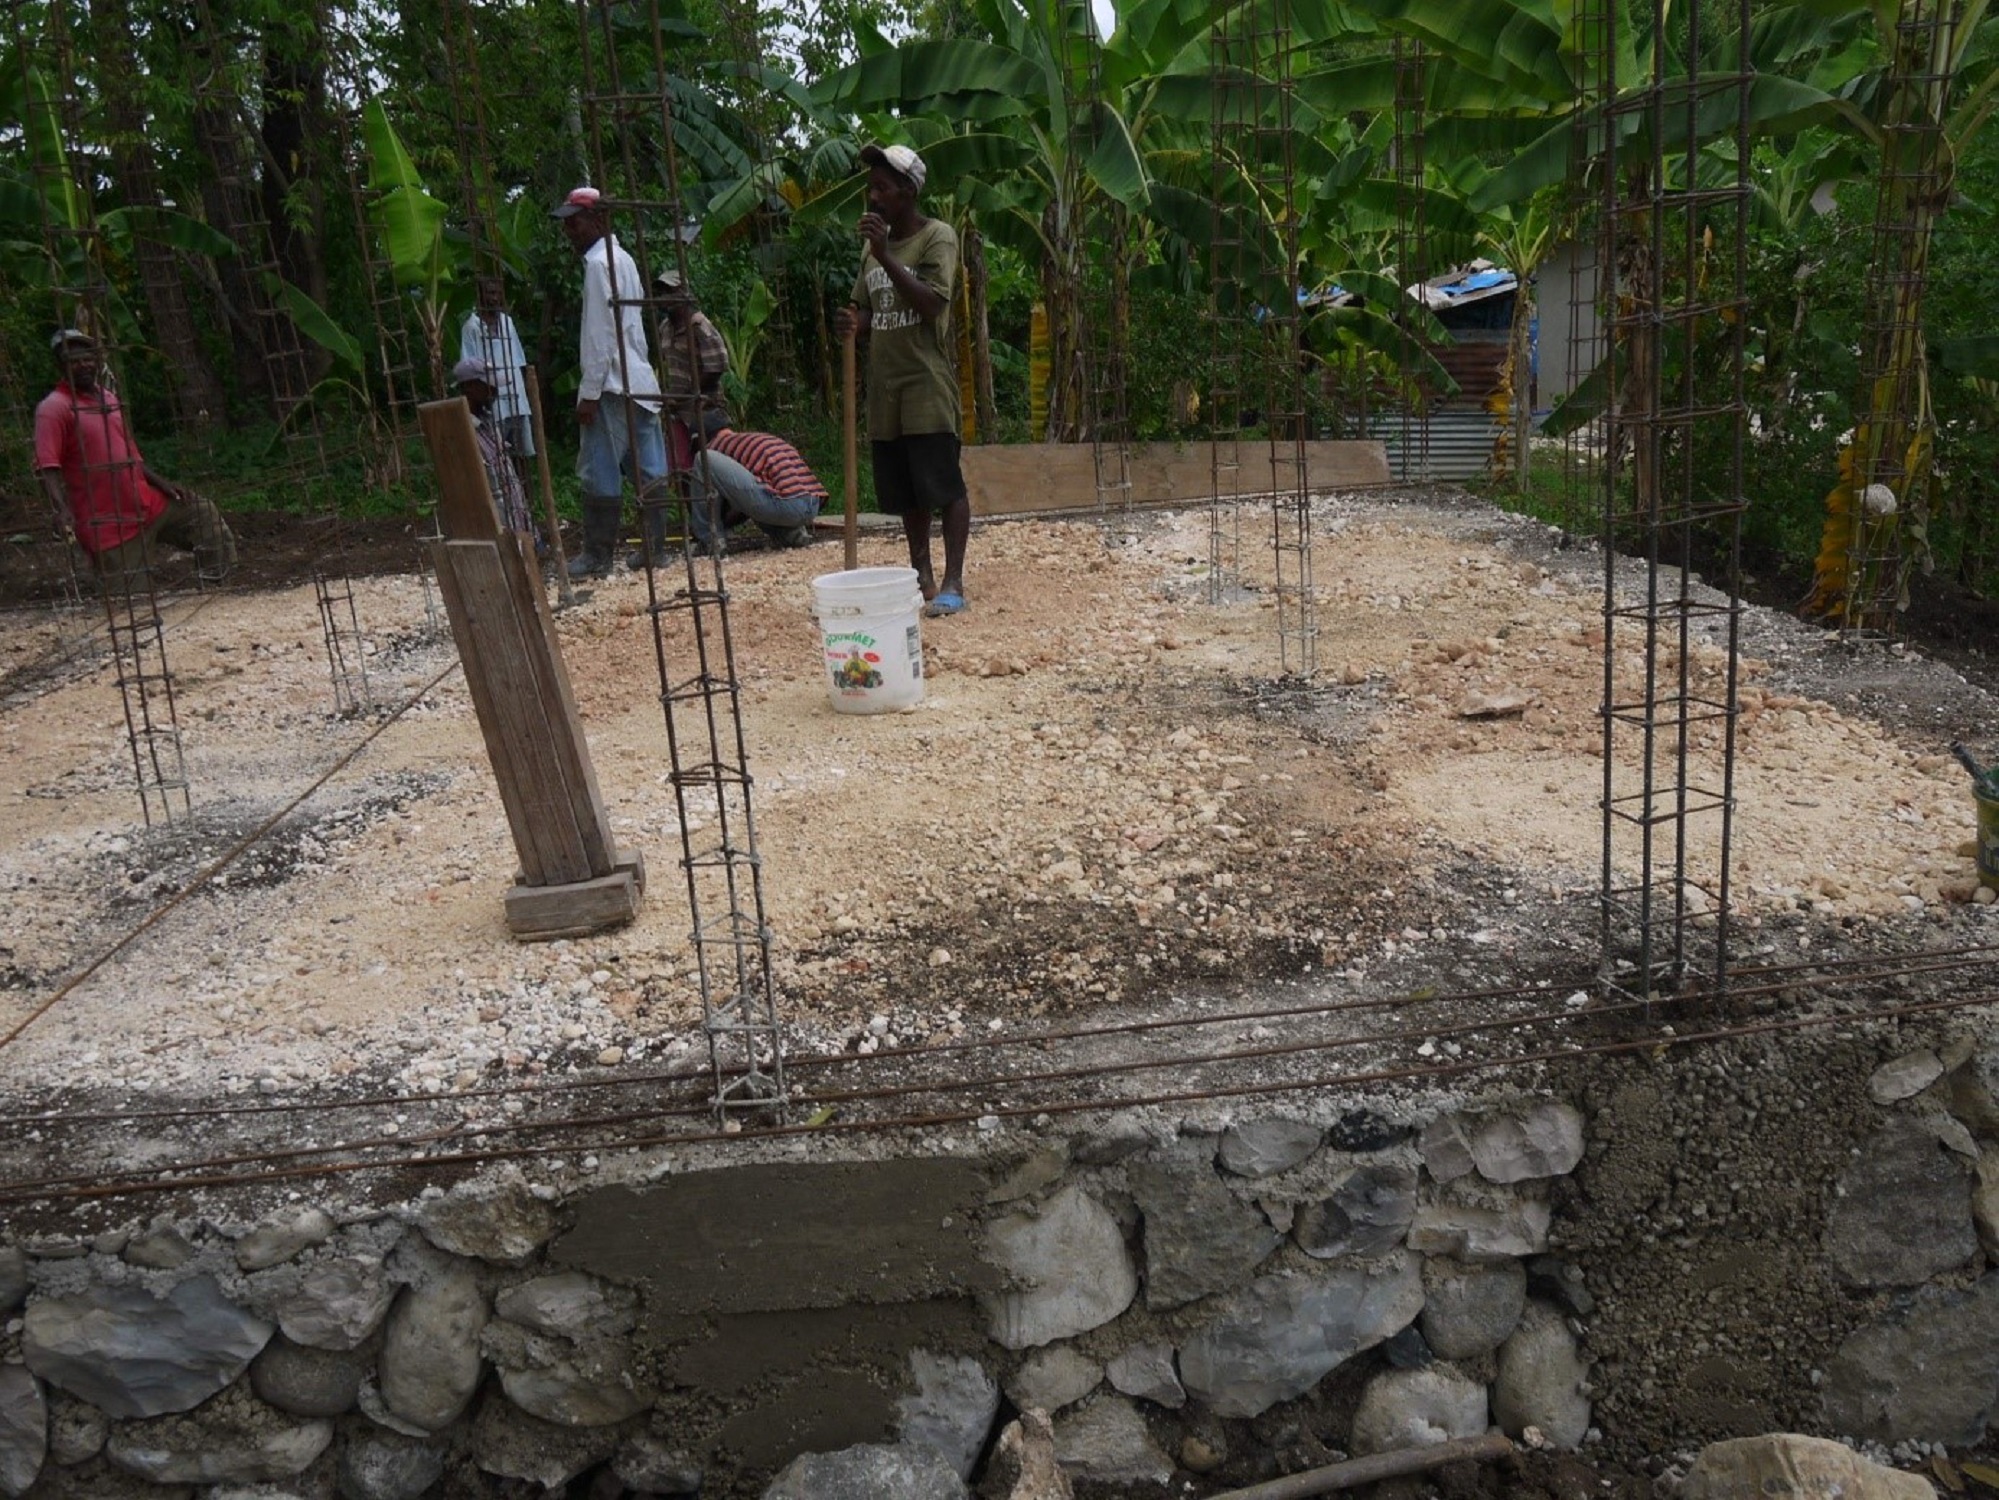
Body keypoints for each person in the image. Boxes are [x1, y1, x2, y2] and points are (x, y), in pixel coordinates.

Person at [834, 143, 970, 618]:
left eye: (883, 188)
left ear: (908, 192)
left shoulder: (938, 237)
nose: (873, 197)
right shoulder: (871, 251)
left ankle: (953, 580)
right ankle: (921, 576)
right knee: (907, 490)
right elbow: (867, 309)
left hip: (926, 383)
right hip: (885, 387)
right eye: (871, 188)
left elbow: (932, 303)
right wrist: (852, 323)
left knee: (942, 484)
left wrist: (884, 255)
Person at [34, 328, 236, 589]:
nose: (83, 365)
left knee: (204, 516)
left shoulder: (108, 398)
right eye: (74, 361)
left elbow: (129, 454)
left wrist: (161, 483)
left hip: (146, 505)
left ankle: (216, 589)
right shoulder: (54, 408)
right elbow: (47, 465)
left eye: (88, 358)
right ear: (61, 366)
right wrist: (60, 509)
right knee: (134, 602)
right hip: (109, 525)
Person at [552, 185, 670, 577]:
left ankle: (597, 556)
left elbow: (604, 336)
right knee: (649, 468)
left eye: (576, 222)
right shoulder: (624, 259)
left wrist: (588, 393)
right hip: (639, 378)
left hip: (613, 383)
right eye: (567, 224)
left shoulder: (599, 265)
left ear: (598, 220)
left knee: (599, 467)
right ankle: (654, 550)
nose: (570, 231)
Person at [689, 426, 826, 552]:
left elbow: (737, 503)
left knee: (703, 459)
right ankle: (790, 534)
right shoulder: (755, 439)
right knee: (763, 489)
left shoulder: (716, 446)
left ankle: (710, 541)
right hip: (813, 503)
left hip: (786, 506)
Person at [454, 355, 535, 538]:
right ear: (470, 387)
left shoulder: (489, 422)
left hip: (513, 520)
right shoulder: (461, 430)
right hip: (495, 528)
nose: (494, 391)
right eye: (487, 387)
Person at [458, 276, 535, 468]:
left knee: (520, 455)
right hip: (493, 403)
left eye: (499, 293)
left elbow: (519, 360)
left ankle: (523, 497)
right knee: (496, 456)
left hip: (516, 398)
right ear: (480, 296)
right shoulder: (472, 327)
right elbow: (469, 370)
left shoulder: (507, 323)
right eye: (491, 293)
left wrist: (524, 395)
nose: (496, 298)